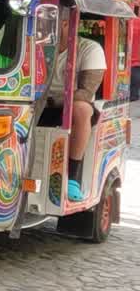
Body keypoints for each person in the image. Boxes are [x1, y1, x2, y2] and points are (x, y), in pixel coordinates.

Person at [46, 14, 106, 201]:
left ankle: (72, 176)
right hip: (38, 101)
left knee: (82, 108)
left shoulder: (89, 49)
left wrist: (51, 102)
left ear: (65, 23)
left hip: (67, 105)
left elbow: (86, 92)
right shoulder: (37, 47)